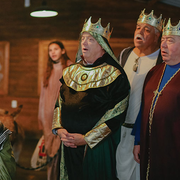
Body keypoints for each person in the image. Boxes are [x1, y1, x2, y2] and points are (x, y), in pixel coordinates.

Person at [52, 17, 130, 180]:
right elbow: (60, 102)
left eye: (91, 39)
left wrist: (87, 138)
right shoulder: (70, 71)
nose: (84, 43)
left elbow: (117, 113)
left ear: (103, 46)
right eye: (83, 38)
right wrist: (59, 130)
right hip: (68, 144)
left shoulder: (115, 75)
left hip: (96, 147)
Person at [133, 18, 180, 180]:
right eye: (163, 40)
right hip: (150, 146)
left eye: (170, 41)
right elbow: (144, 108)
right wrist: (138, 140)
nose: (163, 45)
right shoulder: (154, 71)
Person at [116, 9, 163, 180]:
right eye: (137, 28)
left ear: (157, 36)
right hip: (119, 127)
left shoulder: (161, 61)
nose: (140, 32)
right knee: (119, 173)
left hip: (142, 133)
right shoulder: (124, 54)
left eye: (147, 30)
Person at [38, 41, 72, 180]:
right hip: (48, 117)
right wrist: (41, 117)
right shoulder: (47, 70)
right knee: (50, 152)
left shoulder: (70, 67)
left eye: (56, 49)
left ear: (63, 50)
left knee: (61, 150)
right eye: (50, 50)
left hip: (63, 117)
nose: (52, 52)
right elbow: (42, 97)